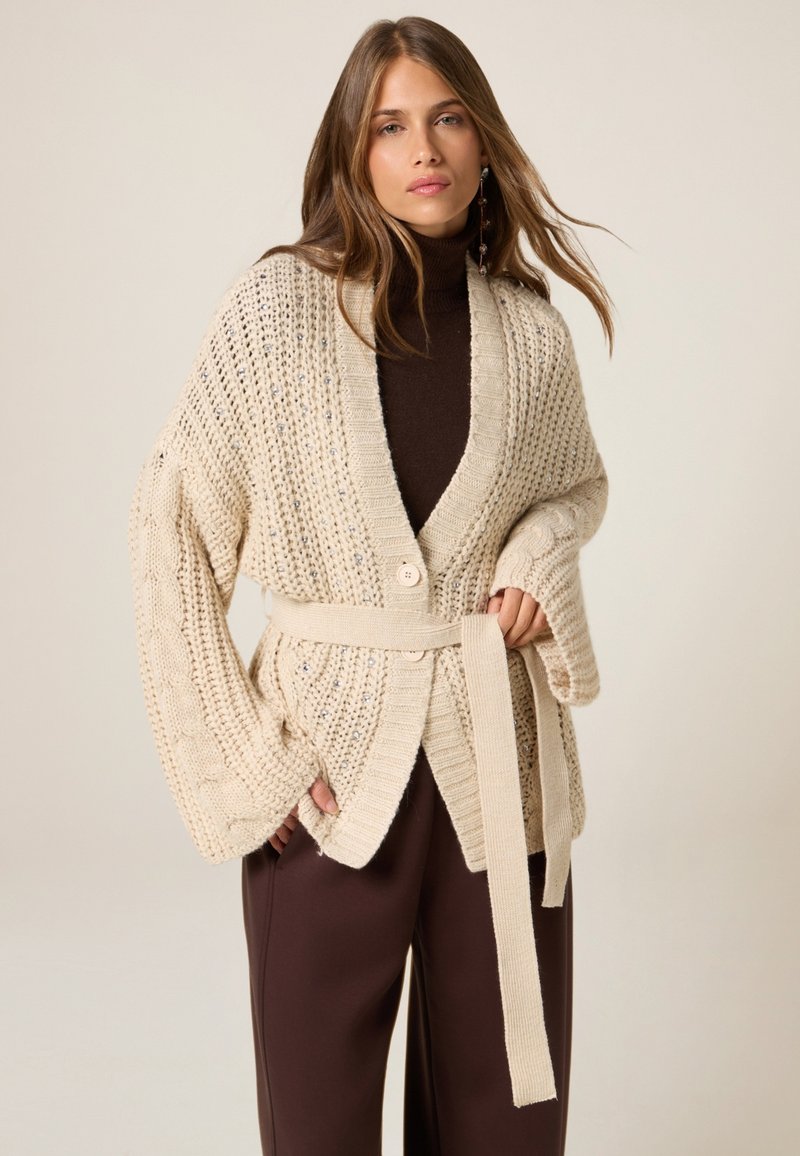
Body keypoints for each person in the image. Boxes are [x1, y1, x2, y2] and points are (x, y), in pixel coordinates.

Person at [128, 15, 614, 1156]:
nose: (423, 148)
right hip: (325, 781)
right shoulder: (276, 313)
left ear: (485, 141)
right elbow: (170, 531)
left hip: (499, 771)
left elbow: (574, 489)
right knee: (315, 1128)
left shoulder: (530, 333)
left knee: (507, 1126)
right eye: (389, 125)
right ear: (352, 149)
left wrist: (536, 558)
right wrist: (251, 764)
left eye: (447, 118)